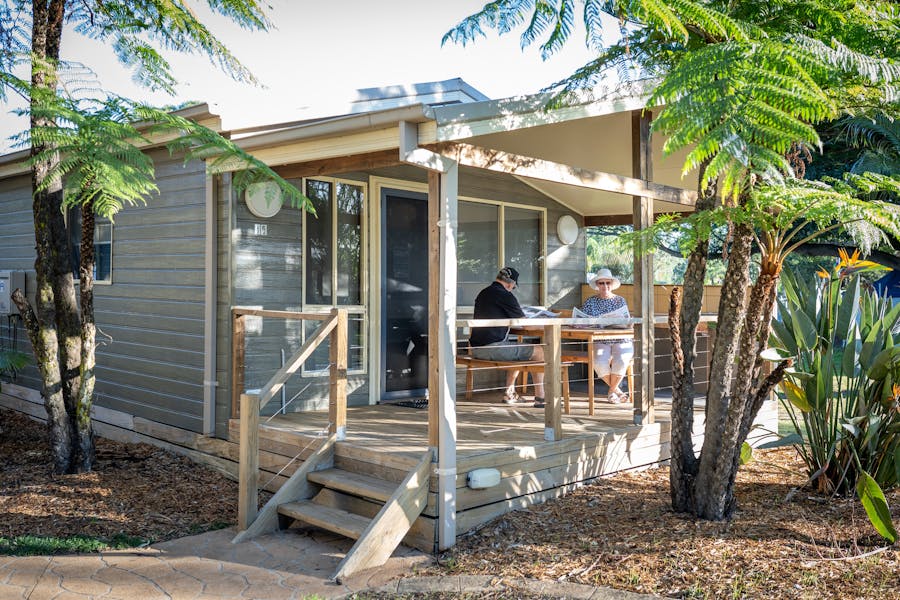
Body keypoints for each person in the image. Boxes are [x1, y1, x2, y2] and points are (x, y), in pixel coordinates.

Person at [469, 266, 546, 407]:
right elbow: (526, 325)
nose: (512, 289)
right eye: (514, 287)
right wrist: (547, 325)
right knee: (539, 351)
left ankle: (509, 393)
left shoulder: (484, 293)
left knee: (515, 348)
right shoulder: (505, 295)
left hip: (476, 349)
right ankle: (540, 398)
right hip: (492, 348)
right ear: (511, 284)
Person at [581, 268, 634, 404]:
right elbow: (584, 321)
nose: (605, 286)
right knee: (598, 362)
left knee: (622, 359)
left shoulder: (620, 301)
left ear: (611, 284)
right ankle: (617, 391)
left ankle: (611, 391)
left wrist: (628, 324)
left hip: (621, 338)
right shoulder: (590, 302)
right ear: (597, 285)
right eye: (601, 283)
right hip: (600, 339)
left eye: (607, 283)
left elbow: (626, 320)